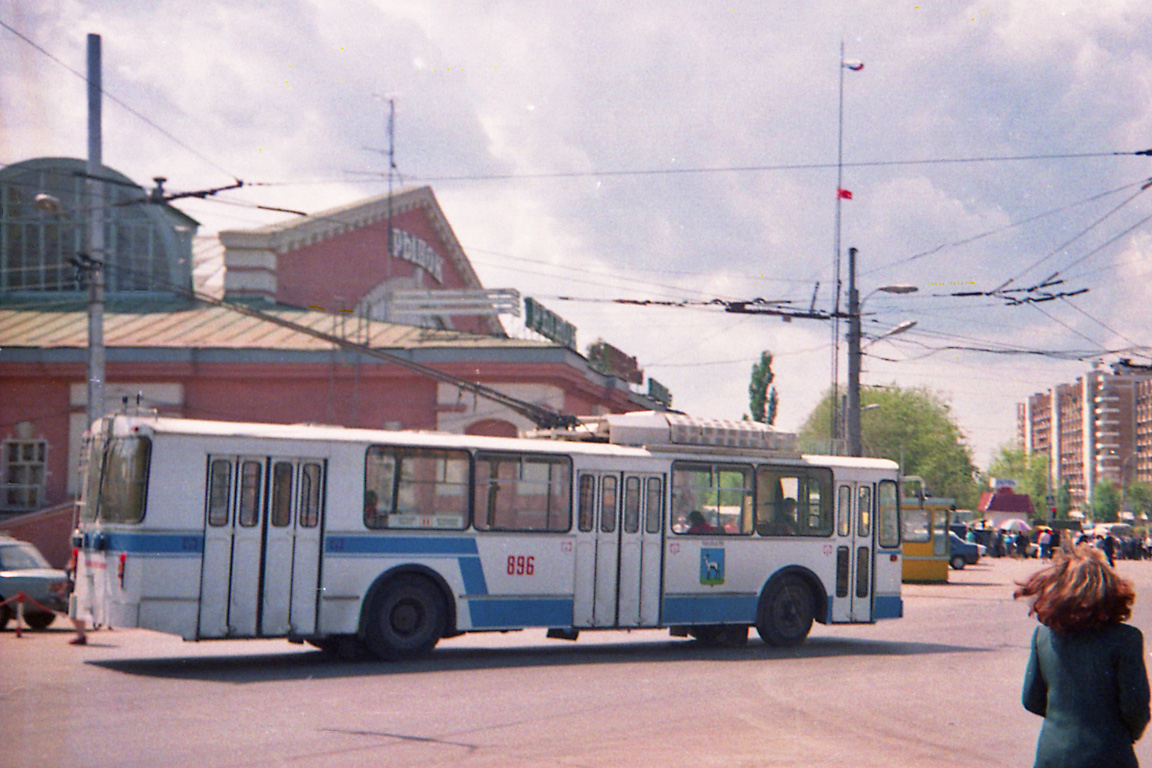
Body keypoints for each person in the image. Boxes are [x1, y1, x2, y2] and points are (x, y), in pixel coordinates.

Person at [1014, 544, 1150, 768]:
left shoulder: (1043, 636)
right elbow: (1135, 708)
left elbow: (1031, 699)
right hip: (1108, 754)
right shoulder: (1126, 638)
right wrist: (1120, 735)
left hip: (1052, 754)